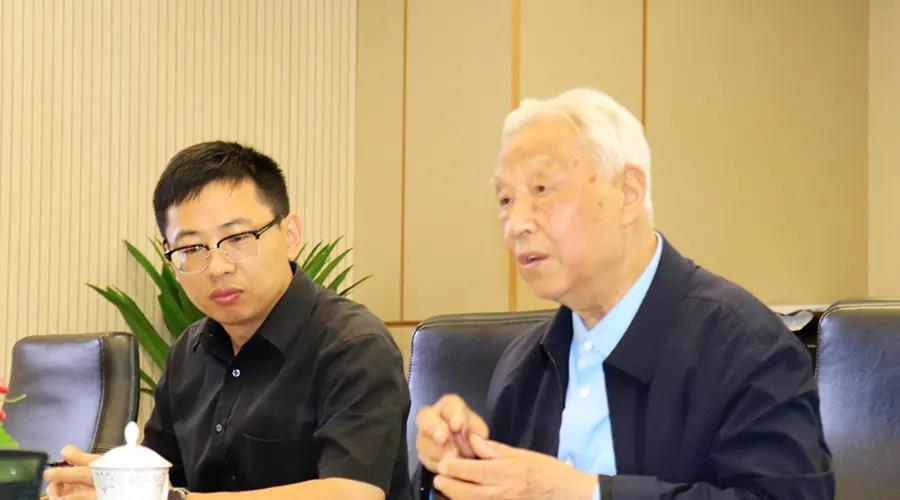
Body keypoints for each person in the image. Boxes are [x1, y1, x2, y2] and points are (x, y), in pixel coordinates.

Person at [414, 88, 834, 499]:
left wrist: (586, 493)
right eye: (505, 199)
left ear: (629, 193)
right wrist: (461, 471)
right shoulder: (524, 366)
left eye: (542, 189)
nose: (517, 223)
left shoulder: (745, 346)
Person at [45, 141, 411, 500]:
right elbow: (160, 481)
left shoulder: (354, 345)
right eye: (191, 248)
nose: (218, 267)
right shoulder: (188, 353)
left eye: (237, 238)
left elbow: (352, 492)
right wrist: (110, 485)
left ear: (290, 235)